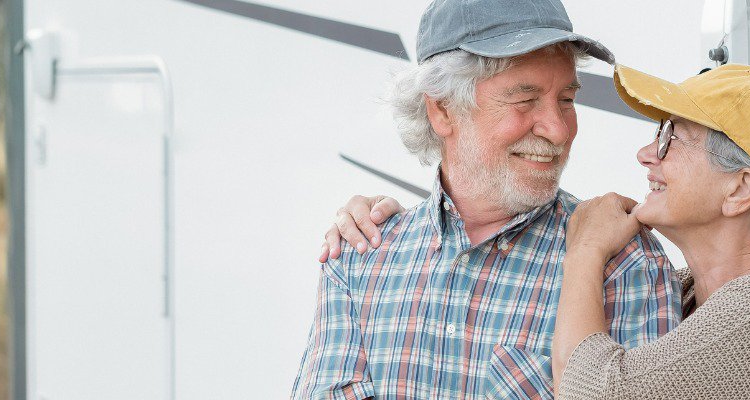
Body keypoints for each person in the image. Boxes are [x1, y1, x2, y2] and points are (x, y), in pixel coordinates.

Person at [329, 64, 750, 398]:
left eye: (673, 138)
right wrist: (403, 223)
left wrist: (584, 249)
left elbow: (592, 393)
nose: (646, 154)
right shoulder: (686, 295)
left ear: (739, 191)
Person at [290, 0, 682, 398]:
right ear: (442, 111)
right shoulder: (359, 258)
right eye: (524, 100)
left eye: (566, 99)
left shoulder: (624, 262)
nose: (558, 130)